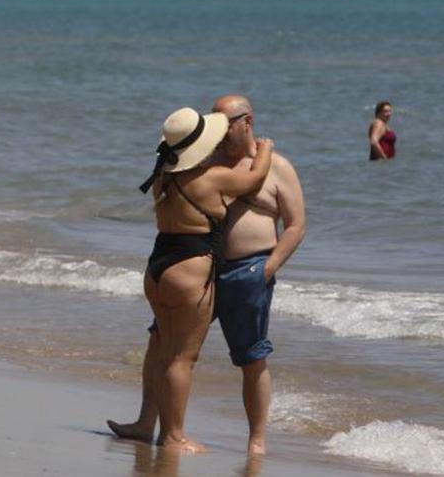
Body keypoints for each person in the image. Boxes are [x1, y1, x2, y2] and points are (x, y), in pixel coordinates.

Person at [108, 95, 306, 455]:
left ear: (247, 121)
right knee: (162, 346)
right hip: (200, 270)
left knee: (251, 357)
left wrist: (270, 266)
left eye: (227, 122)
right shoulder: (203, 165)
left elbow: (295, 225)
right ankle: (146, 422)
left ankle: (256, 442)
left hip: (247, 270)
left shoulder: (278, 167)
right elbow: (248, 181)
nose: (222, 130)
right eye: (215, 122)